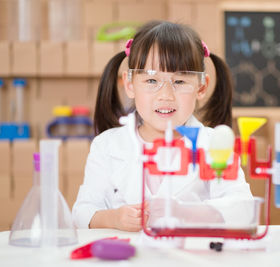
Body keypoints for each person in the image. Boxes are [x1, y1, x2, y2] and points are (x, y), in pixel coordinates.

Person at [72, 21, 254, 232]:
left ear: (201, 87)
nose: (165, 95)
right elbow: (81, 212)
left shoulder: (216, 145)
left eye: (179, 82)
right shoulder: (106, 145)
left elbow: (243, 210)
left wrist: (184, 213)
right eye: (151, 80)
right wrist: (113, 219)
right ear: (130, 84)